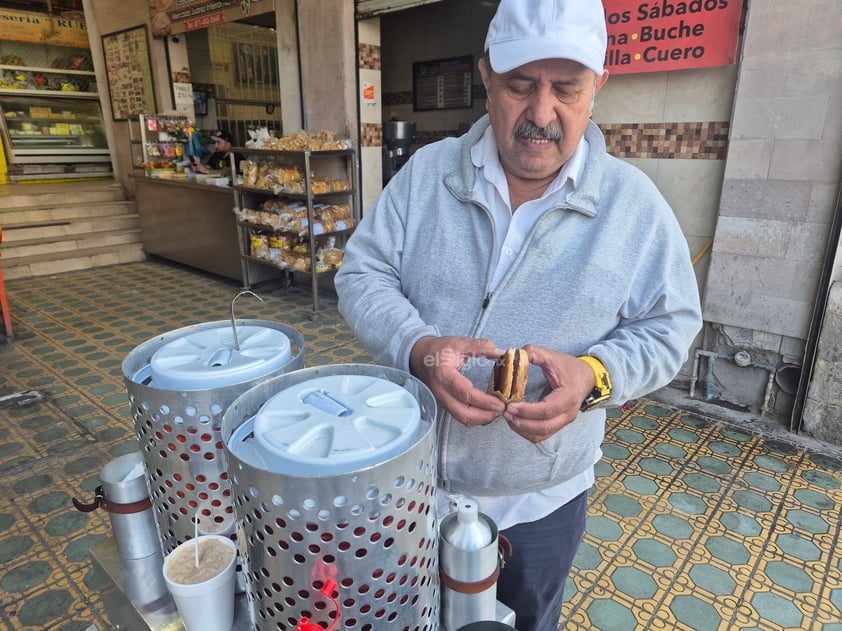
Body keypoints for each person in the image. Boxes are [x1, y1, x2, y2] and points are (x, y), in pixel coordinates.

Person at [334, 0, 703, 628]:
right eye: (520, 85)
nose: (541, 112)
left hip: (543, 503)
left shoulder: (632, 207)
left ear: (599, 87)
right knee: (399, 616)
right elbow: (361, 273)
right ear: (485, 76)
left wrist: (595, 377)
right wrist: (418, 350)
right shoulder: (426, 176)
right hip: (410, 484)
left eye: (566, 89)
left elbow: (670, 326)